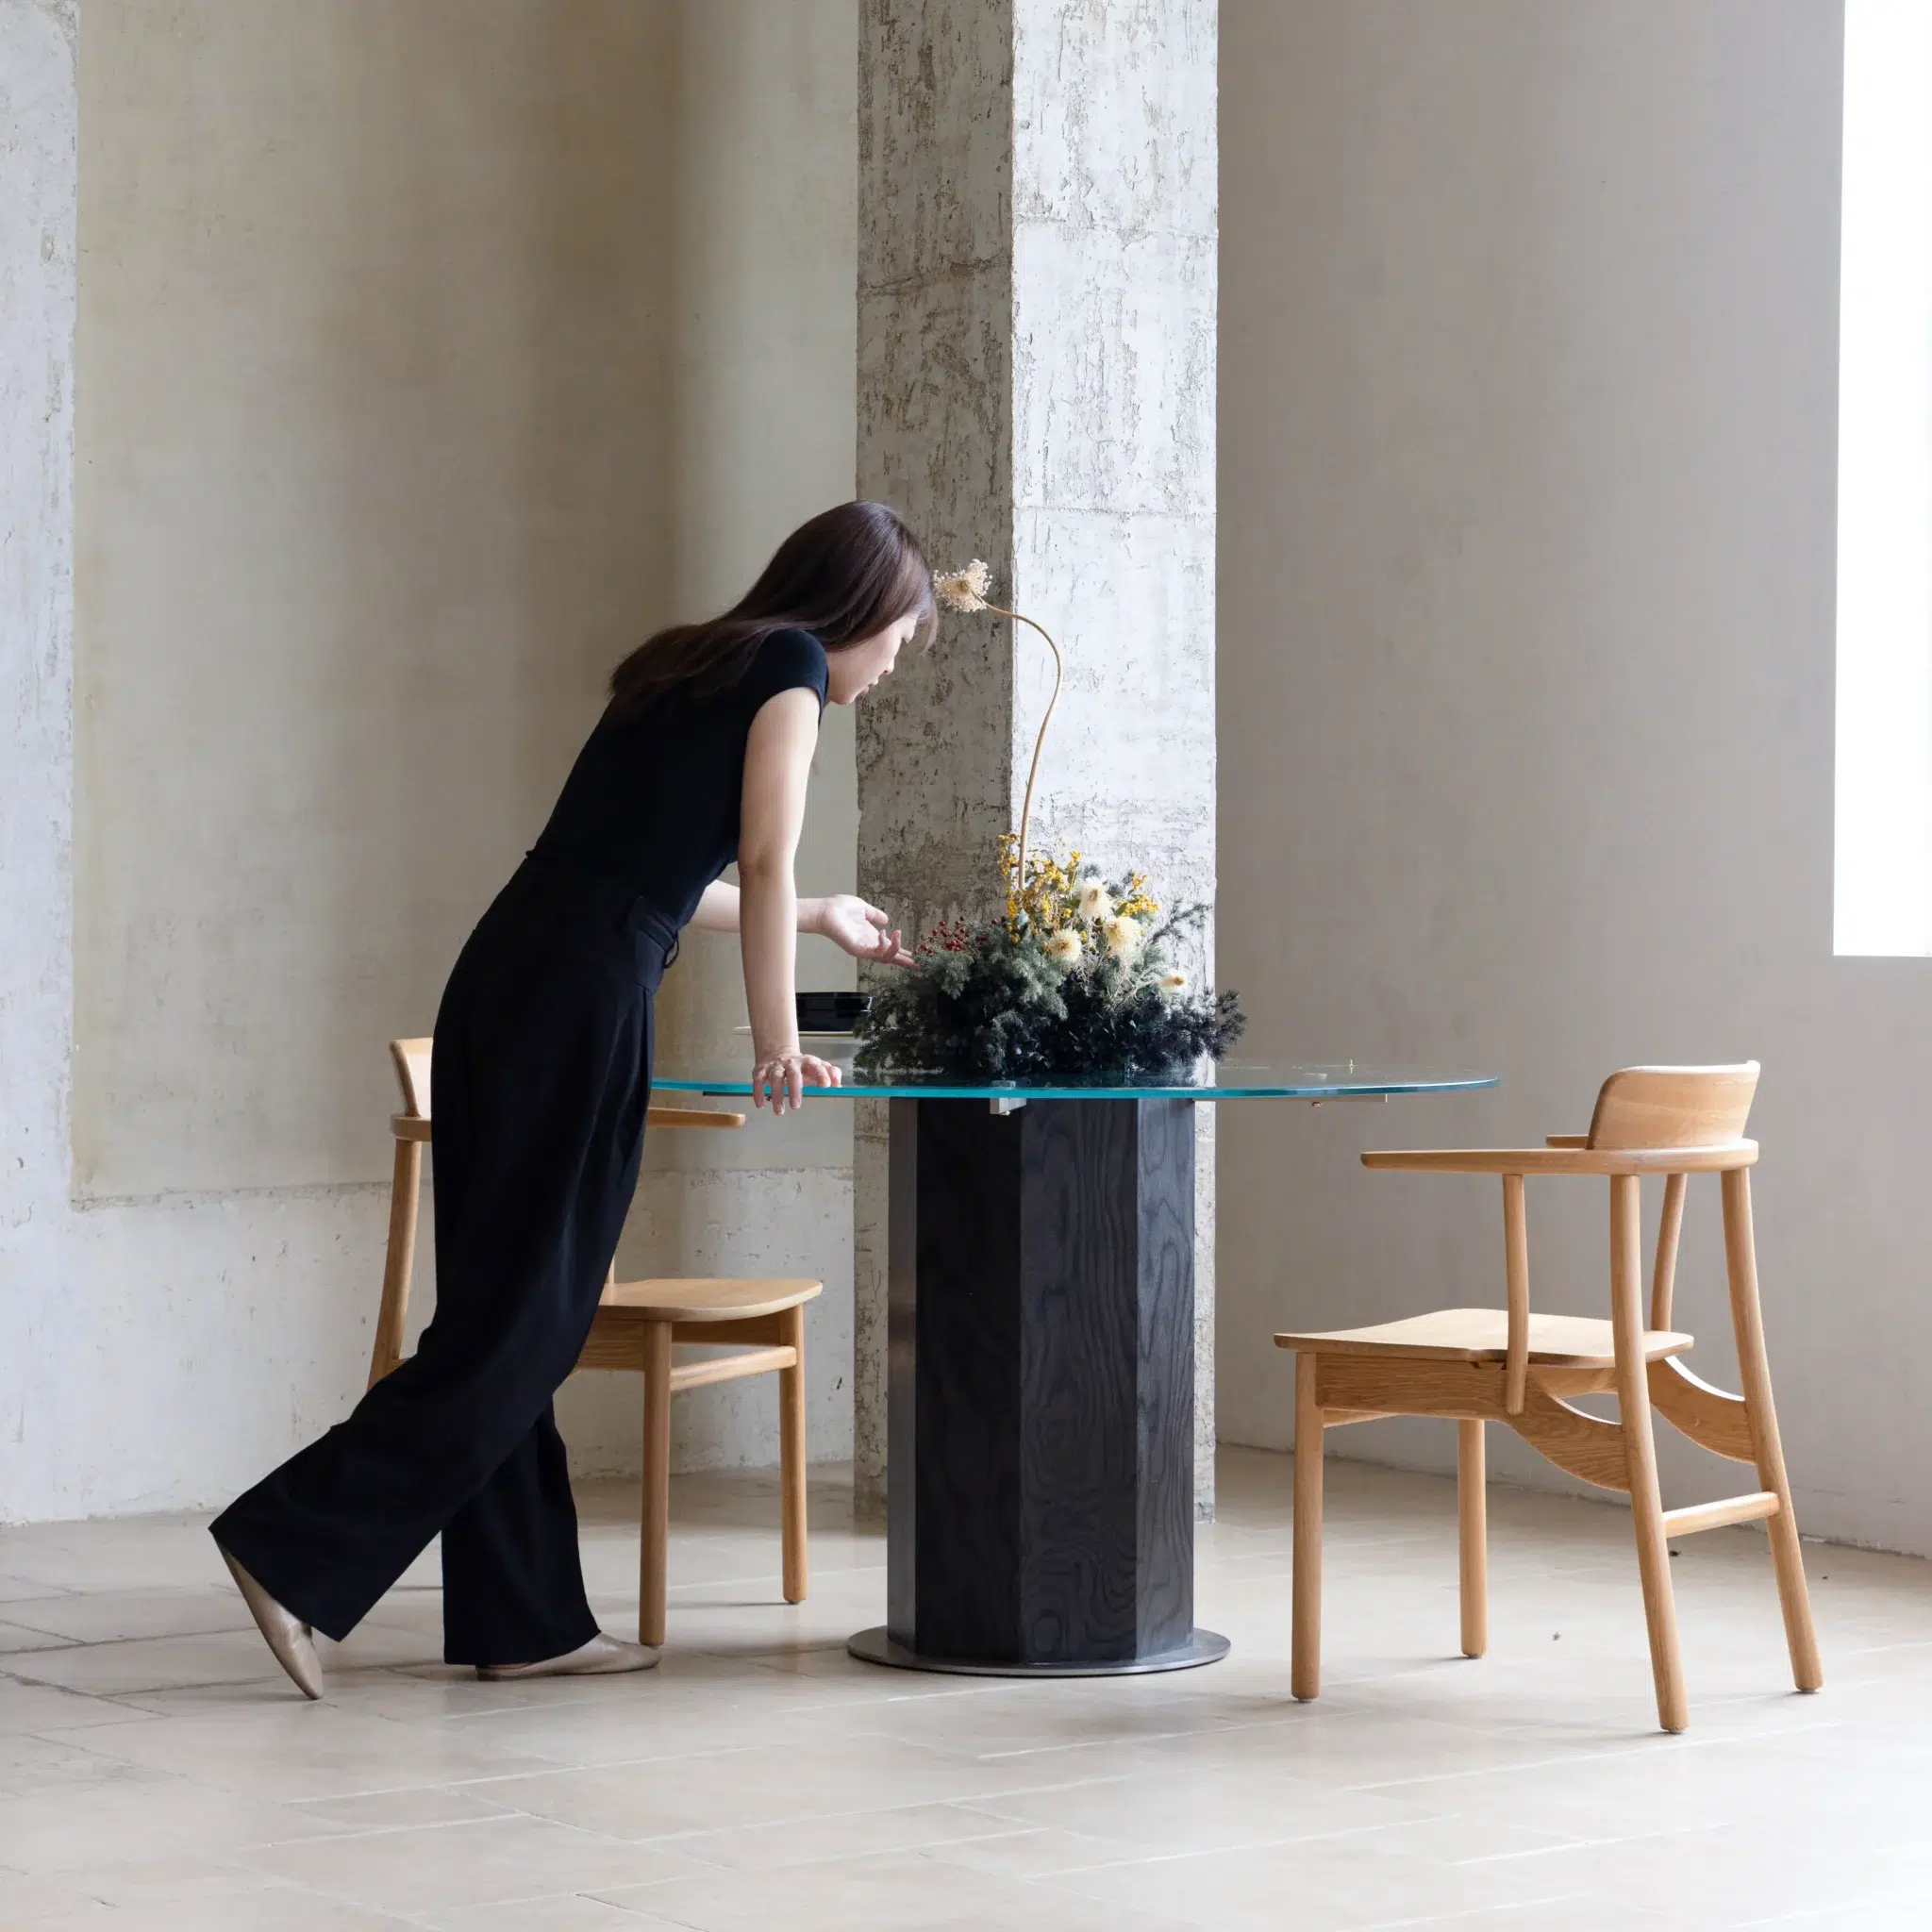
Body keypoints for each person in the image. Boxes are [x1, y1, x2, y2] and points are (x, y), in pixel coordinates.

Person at [210, 501, 930, 1698]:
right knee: (533, 1315)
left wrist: (814, 918)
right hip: (578, 995)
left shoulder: (692, 661)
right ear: (866, 605)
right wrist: (778, 1038)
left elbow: (652, 871)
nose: (895, 663)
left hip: (515, 969)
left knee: (503, 1306)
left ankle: (524, 1618)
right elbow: (762, 858)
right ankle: (287, 1543)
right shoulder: (796, 666)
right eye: (902, 637)